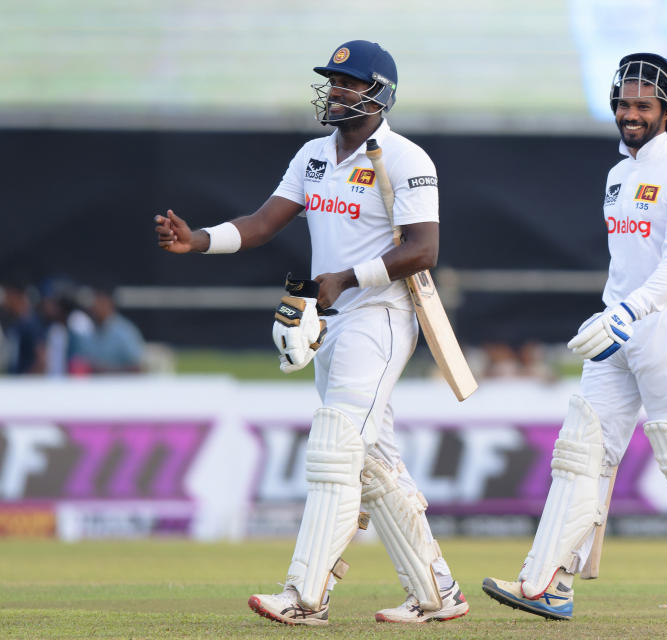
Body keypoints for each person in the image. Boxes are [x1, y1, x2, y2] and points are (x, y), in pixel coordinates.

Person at [153, 40, 467, 626]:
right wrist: (198, 239)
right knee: (371, 462)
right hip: (330, 320)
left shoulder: (405, 159)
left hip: (381, 316)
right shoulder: (313, 156)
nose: (338, 92)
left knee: (334, 448)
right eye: (333, 81)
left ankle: (305, 596)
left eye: (351, 83)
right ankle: (437, 593)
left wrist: (347, 279)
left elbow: (424, 250)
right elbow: (262, 223)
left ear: (381, 95)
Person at [482, 54, 667, 619]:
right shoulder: (618, 175)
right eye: (623, 104)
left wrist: (631, 312)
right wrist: (612, 313)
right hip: (615, 328)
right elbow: (628, 262)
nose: (629, 114)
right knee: (581, 451)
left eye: (642, 105)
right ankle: (547, 580)